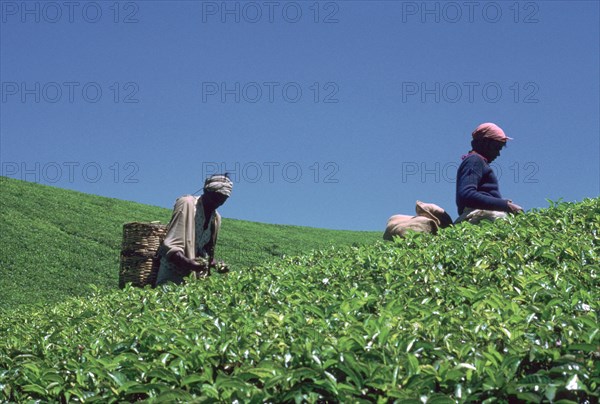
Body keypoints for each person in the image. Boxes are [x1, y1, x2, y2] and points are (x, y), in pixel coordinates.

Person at [155, 174, 233, 286]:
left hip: (194, 278)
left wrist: (214, 263)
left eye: (222, 200)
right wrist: (188, 263)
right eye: (215, 198)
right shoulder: (187, 204)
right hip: (173, 273)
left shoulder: (216, 218)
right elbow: (171, 244)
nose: (217, 203)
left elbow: (204, 250)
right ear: (206, 191)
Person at [455, 123, 523, 224]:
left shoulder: (477, 161)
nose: (498, 154)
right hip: (479, 214)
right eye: (496, 148)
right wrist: (506, 205)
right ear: (485, 143)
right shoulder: (474, 160)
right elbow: (466, 194)